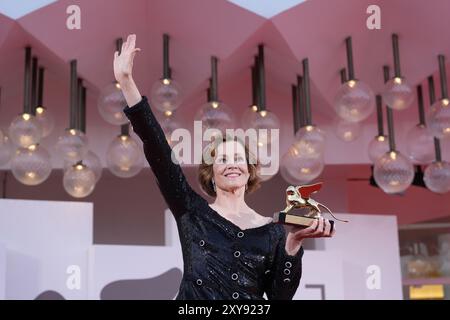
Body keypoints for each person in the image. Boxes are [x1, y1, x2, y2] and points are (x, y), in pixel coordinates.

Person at [114, 34, 335, 300]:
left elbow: (280, 297)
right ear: (211, 173)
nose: (232, 164)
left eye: (238, 158)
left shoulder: (272, 231)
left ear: (250, 170)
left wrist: (293, 244)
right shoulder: (191, 211)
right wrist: (126, 82)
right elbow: (159, 151)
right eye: (223, 159)